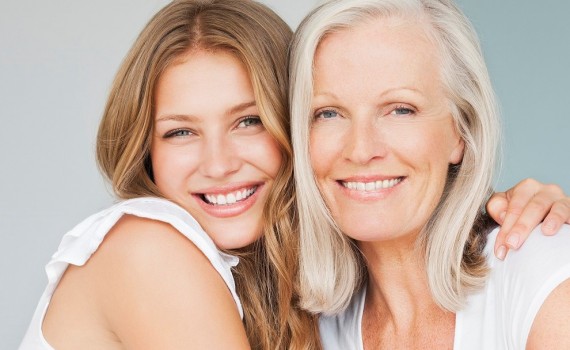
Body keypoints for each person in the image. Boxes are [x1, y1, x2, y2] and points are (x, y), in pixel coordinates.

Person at [18, 0, 570, 349]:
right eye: (179, 131)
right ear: (145, 153)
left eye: (249, 121)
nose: (218, 164)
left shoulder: (311, 301)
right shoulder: (148, 249)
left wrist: (490, 206)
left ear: (462, 133)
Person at [289, 0, 570, 348]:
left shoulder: (543, 274)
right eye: (328, 113)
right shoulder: (314, 327)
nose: (361, 149)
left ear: (460, 132)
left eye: (400, 110)